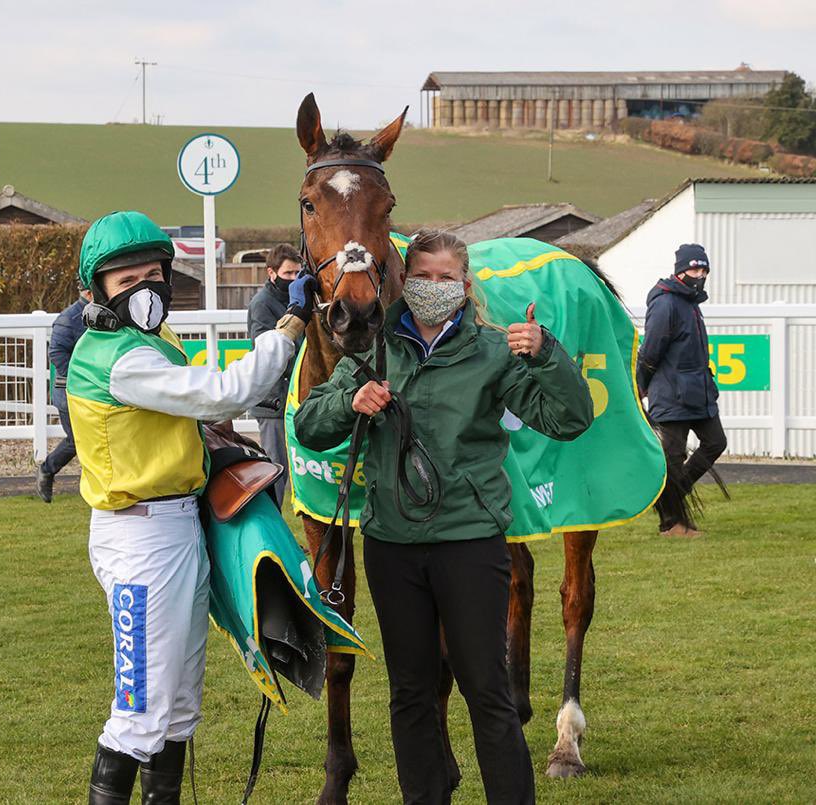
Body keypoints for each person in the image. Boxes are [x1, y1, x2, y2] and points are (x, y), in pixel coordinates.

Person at [294, 229, 594, 805]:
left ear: (464, 284)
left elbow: (569, 418)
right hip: (392, 546)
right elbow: (308, 426)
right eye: (422, 275)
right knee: (411, 692)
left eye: (446, 277)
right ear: (403, 280)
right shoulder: (373, 350)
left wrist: (548, 354)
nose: (433, 286)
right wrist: (347, 402)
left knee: (487, 691)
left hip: (469, 544)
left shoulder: (492, 351)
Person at [66, 211, 314, 805]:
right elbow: (225, 391)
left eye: (153, 276)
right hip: (141, 541)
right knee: (140, 713)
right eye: (126, 282)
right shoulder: (118, 358)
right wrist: (290, 325)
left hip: (179, 527)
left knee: (179, 709)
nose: (145, 291)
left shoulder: (156, 342)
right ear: (95, 292)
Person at [637, 243, 727, 537]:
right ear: (680, 270)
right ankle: (671, 523)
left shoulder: (690, 303)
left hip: (698, 394)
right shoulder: (666, 303)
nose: (699, 274)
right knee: (672, 458)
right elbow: (650, 352)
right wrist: (641, 385)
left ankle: (670, 500)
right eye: (694, 268)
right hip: (672, 394)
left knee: (716, 442)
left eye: (703, 269)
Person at [246, 243, 303, 508]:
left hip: (295, 396)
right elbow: (266, 350)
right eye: (289, 273)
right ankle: (273, 537)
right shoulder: (262, 304)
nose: (294, 279)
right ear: (272, 273)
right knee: (276, 473)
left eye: (297, 274)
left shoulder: (297, 300)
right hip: (273, 401)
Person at [37, 280, 93, 502]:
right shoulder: (68, 319)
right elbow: (57, 354)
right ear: (89, 293)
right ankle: (47, 470)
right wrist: (82, 379)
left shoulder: (93, 315)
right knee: (78, 441)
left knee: (86, 440)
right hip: (69, 393)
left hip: (85, 390)